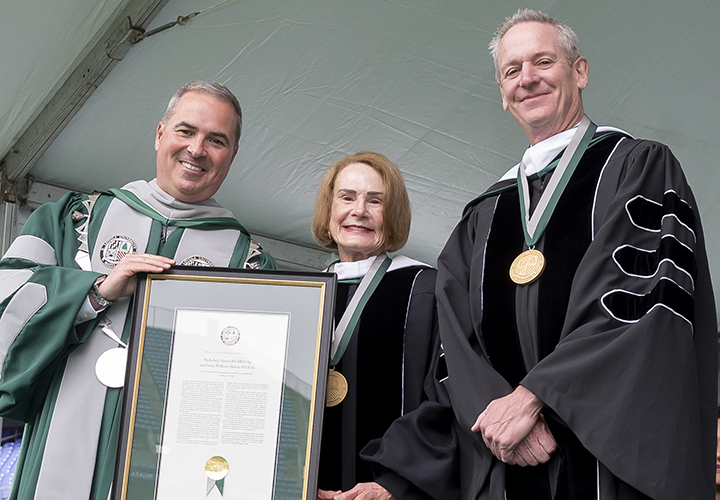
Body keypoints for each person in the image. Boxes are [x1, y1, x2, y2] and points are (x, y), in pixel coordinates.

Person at [343, 8, 717, 500]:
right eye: (512, 70)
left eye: (543, 61)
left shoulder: (636, 169)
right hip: (507, 464)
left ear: (579, 71)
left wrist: (535, 398)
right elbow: (455, 355)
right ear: (502, 94)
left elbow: (640, 303)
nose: (528, 79)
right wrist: (488, 418)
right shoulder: (481, 217)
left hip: (607, 464)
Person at [0, 81, 276, 500]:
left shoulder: (249, 264)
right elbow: (8, 302)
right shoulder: (73, 220)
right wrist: (94, 293)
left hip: (169, 461)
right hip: (60, 438)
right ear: (160, 134)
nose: (197, 150)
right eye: (186, 131)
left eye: (216, 140)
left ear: (231, 156)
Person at [310, 152, 438, 499]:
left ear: (392, 214)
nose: (359, 211)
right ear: (329, 208)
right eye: (347, 197)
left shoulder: (425, 290)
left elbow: (445, 401)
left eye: (375, 201)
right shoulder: (303, 294)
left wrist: (393, 485)